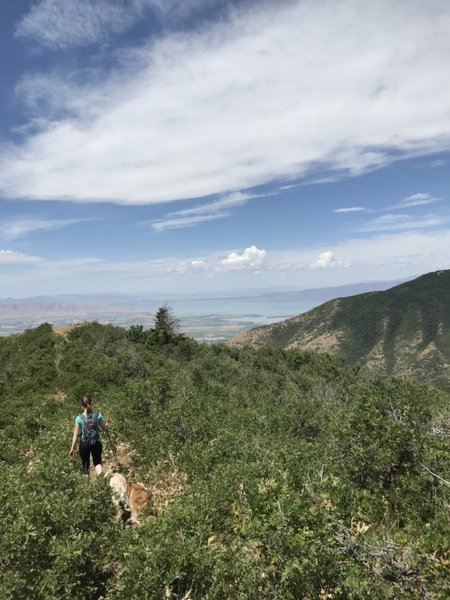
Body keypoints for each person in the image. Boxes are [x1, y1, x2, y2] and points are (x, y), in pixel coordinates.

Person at [69, 395, 108, 477]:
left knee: (85, 466)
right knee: (97, 463)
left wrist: (72, 448)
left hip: (84, 444)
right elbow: (104, 428)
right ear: (91, 403)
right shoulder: (98, 415)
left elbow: (75, 434)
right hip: (96, 442)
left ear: (82, 405)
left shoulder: (79, 418)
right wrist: (103, 427)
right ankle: (102, 484)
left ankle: (87, 487)